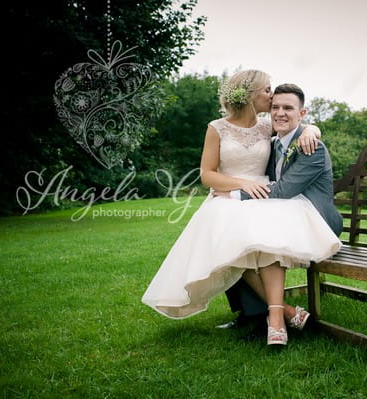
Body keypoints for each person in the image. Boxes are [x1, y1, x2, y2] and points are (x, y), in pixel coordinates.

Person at [141, 70, 342, 346]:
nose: (272, 98)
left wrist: (312, 129)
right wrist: (239, 186)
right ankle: (281, 311)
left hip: (262, 197)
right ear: (250, 95)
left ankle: (271, 316)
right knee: (231, 237)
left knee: (259, 236)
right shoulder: (217, 127)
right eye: (267, 90)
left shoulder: (266, 126)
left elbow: (295, 123)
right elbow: (207, 175)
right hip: (237, 193)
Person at [214, 83, 343, 345]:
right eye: (275, 107)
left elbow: (283, 189)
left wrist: (234, 194)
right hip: (287, 216)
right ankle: (275, 312)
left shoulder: (311, 146)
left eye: (288, 108)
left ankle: (269, 315)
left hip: (319, 222)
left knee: (256, 234)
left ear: (302, 113)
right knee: (230, 230)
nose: (280, 113)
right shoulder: (272, 144)